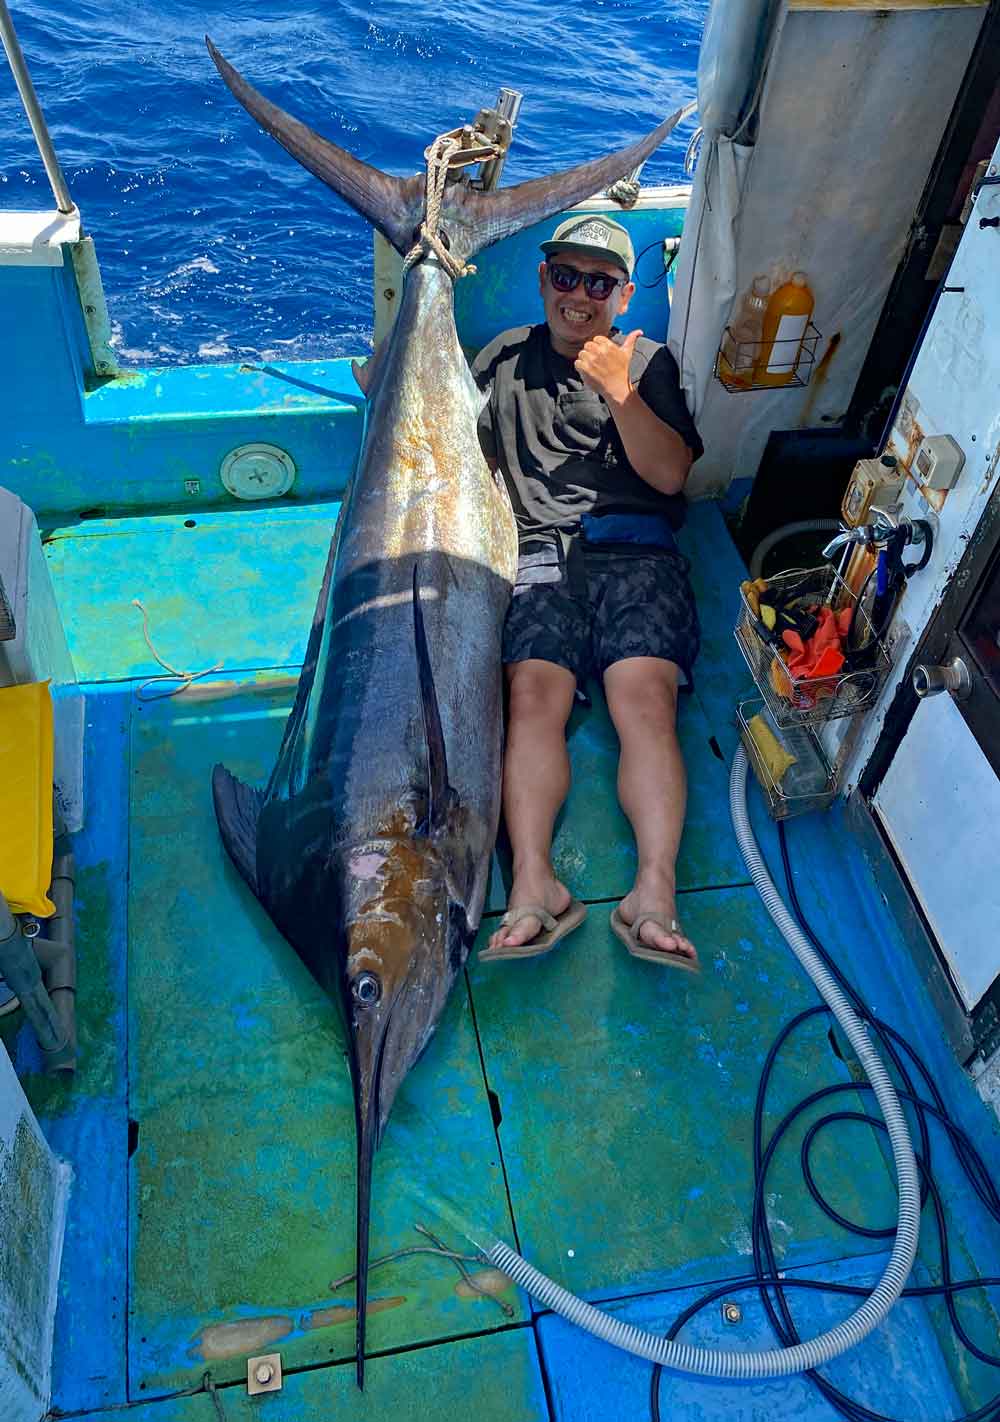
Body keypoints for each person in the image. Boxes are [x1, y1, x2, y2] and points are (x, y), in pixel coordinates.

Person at [471, 214, 702, 970]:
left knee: (644, 702)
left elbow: (670, 477)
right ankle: (535, 884)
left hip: (636, 548)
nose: (579, 296)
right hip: (539, 553)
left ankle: (652, 893)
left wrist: (619, 391)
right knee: (532, 698)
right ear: (542, 281)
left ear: (625, 295)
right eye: (565, 277)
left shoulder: (651, 361)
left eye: (598, 283)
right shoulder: (502, 358)